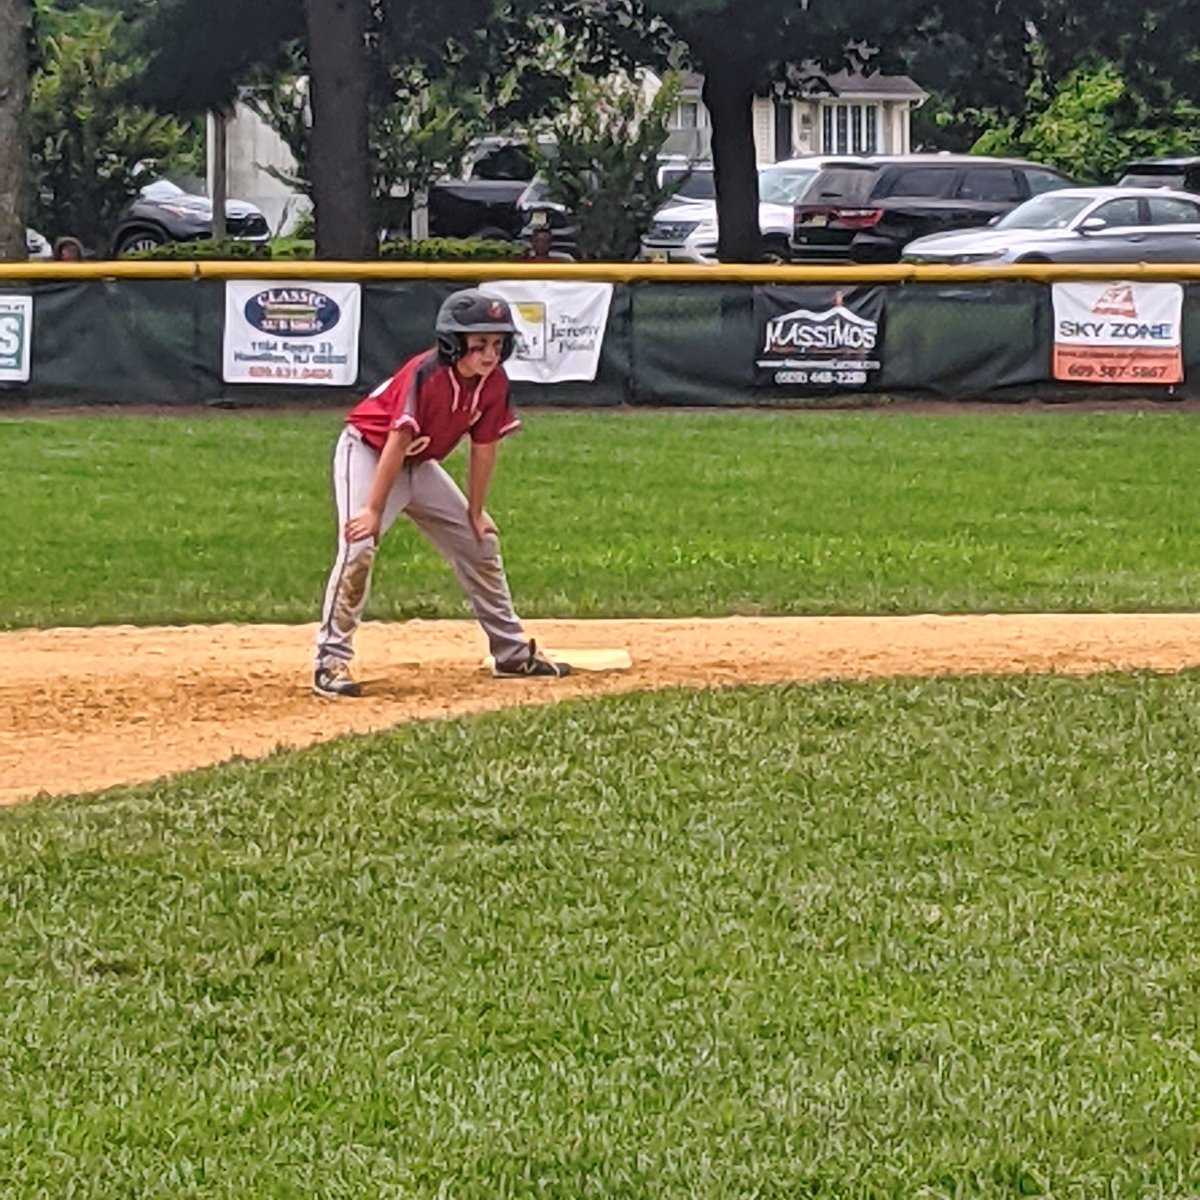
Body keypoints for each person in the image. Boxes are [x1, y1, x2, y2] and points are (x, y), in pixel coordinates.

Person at [312, 288, 570, 698]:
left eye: (498, 345)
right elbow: (396, 440)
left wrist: (476, 511)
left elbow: (484, 447)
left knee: (480, 543)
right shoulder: (426, 373)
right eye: (480, 344)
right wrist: (374, 510)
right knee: (358, 546)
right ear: (453, 342)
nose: (490, 354)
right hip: (369, 453)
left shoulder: (493, 383)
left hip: (420, 464)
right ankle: (330, 660)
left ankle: (511, 653)